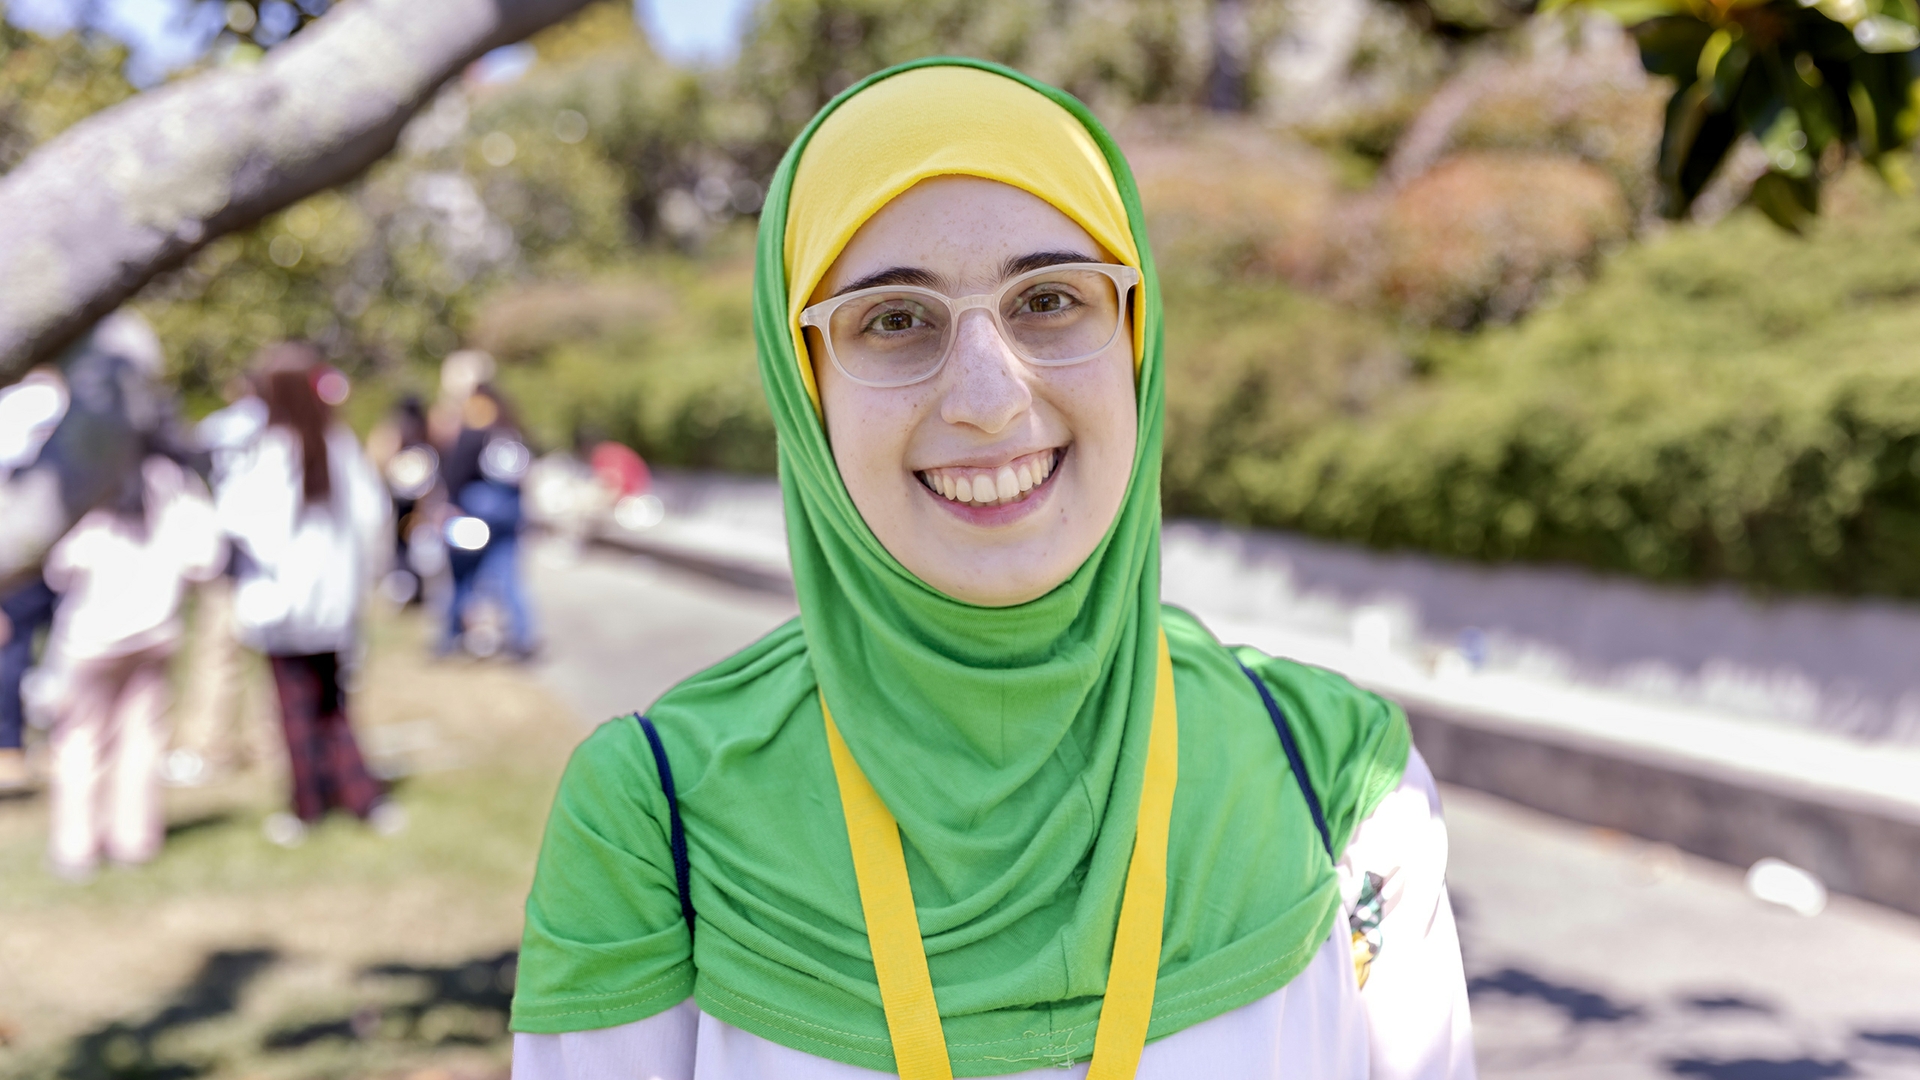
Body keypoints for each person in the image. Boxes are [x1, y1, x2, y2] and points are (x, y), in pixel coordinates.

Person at [509, 61, 1474, 1080]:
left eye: (1051, 299)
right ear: (805, 390)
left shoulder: (1337, 776)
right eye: (892, 319)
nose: (987, 396)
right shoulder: (655, 822)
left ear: (1136, 341)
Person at [216, 344, 396, 845]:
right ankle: (360, 796)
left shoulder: (270, 451)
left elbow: (241, 521)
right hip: (332, 603)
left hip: (285, 606)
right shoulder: (336, 445)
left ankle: (308, 805)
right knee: (334, 704)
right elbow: (371, 518)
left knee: (296, 711)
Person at [40, 452, 225, 878]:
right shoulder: (176, 481)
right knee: (141, 737)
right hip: (156, 629)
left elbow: (62, 564)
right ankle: (134, 840)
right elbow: (205, 558)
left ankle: (76, 846)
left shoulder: (88, 478)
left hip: (91, 635)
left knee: (81, 740)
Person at [0, 366, 69, 790]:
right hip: (62, 536)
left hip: (21, 539)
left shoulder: (12, 402)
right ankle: (57, 744)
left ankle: (10, 750)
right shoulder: (69, 400)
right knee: (62, 649)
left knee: (14, 650)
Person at [438, 384, 536, 659]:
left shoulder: (474, 431)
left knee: (462, 577)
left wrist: (449, 506)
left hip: (474, 513)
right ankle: (523, 637)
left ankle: (449, 638)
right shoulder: (513, 432)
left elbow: (455, 471)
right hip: (509, 513)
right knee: (508, 577)